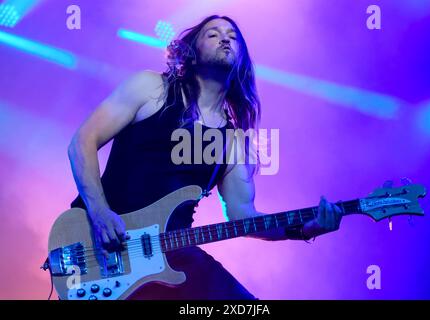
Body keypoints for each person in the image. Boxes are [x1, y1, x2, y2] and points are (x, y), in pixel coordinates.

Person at [68, 15, 343, 300]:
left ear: (242, 61)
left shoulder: (234, 143)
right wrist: (99, 213)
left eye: (233, 37)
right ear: (193, 53)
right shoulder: (151, 89)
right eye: (212, 34)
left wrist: (304, 228)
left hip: (174, 255)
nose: (225, 38)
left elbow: (243, 215)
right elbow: (82, 142)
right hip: (103, 247)